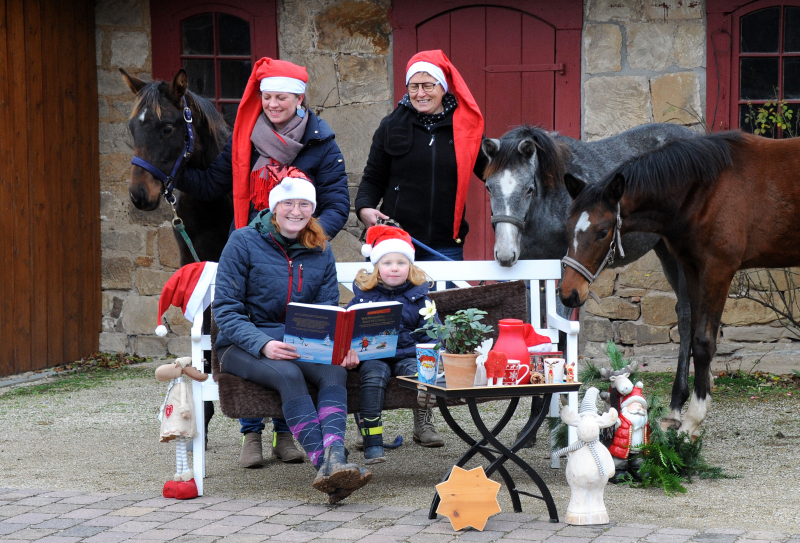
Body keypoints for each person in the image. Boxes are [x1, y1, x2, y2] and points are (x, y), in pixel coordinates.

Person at [175, 57, 350, 468]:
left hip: (300, 247)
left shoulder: (321, 143)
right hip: (257, 246)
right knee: (268, 343)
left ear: (299, 98)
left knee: (308, 355)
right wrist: (171, 170)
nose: (272, 104)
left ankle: (315, 449)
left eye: (281, 97)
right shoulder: (245, 138)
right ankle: (255, 435)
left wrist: (303, 235)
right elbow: (215, 183)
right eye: (266, 96)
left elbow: (337, 203)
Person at [213, 176, 370, 503]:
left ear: (312, 209)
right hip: (242, 343)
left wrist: (339, 347)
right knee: (288, 374)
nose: (296, 211)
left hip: (300, 339)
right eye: (288, 203)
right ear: (274, 207)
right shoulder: (242, 242)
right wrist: (263, 344)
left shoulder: (320, 247)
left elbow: (327, 307)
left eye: (304, 204)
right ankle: (324, 465)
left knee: (333, 372)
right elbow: (226, 310)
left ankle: (335, 459)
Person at [355, 50, 487, 262]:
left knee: (443, 297)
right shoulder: (391, 125)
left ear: (442, 87)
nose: (420, 93)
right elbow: (373, 177)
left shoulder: (465, 128)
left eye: (428, 85)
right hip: (396, 239)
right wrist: (364, 207)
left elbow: (493, 173)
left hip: (446, 244)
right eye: (414, 86)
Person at [341, 225, 445, 464]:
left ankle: (424, 415)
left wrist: (423, 353)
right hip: (373, 358)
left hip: (408, 354)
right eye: (387, 263)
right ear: (377, 268)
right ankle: (372, 441)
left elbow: (433, 336)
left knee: (420, 373)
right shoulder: (362, 299)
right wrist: (350, 350)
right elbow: (346, 332)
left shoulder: (420, 299)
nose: (395, 268)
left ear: (411, 267)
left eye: (401, 262)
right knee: (372, 379)